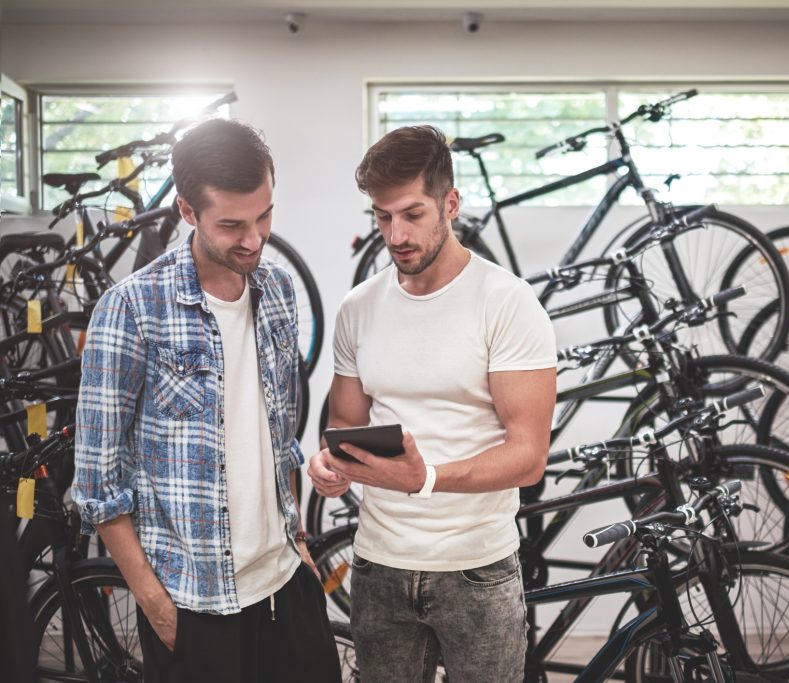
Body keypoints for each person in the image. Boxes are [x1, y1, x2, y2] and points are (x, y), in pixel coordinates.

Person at [72, 118, 340, 683]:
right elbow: (97, 483)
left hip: (287, 584)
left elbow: (278, 433)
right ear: (189, 213)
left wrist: (299, 544)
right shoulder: (131, 309)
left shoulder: (279, 292)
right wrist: (153, 602)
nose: (254, 238)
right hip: (193, 606)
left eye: (265, 215)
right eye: (232, 224)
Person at [308, 125, 557, 681]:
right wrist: (330, 468)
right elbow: (344, 423)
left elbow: (528, 456)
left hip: (476, 570)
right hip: (378, 565)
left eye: (412, 214)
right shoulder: (358, 307)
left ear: (451, 204)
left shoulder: (508, 304)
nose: (395, 234)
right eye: (382, 216)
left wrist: (426, 479)